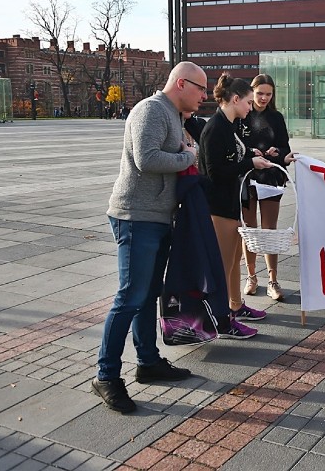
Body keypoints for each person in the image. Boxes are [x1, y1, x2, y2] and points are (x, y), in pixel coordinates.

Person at [93, 61, 208, 414]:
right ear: (181, 84)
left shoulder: (175, 115)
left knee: (147, 296)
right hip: (135, 216)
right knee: (129, 297)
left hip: (157, 217)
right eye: (201, 89)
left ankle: (148, 362)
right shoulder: (151, 110)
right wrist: (189, 155)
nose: (204, 96)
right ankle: (106, 377)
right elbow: (146, 159)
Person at [198, 72, 276, 339]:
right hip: (218, 206)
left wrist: (253, 155)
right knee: (223, 264)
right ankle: (222, 319)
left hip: (230, 203)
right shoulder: (216, 127)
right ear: (234, 99)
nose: (250, 107)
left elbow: (231, 159)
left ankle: (234, 306)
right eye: (246, 102)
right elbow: (215, 171)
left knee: (233, 262)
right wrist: (248, 164)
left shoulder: (228, 124)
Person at [239, 74, 292, 301]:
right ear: (252, 92)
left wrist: (276, 152)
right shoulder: (242, 114)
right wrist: (251, 153)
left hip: (270, 177)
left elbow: (285, 148)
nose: (263, 98)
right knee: (249, 228)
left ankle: (273, 280)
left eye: (268, 94)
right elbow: (236, 145)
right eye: (259, 93)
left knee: (269, 228)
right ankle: (251, 277)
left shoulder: (276, 117)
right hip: (246, 177)